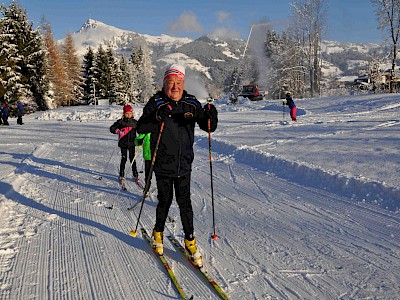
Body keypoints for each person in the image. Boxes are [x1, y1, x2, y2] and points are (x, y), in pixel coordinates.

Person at [136, 63, 218, 267]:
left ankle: (190, 241)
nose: (175, 87)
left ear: (183, 83)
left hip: (184, 165)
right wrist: (156, 117)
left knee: (185, 203)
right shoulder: (155, 102)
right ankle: (158, 233)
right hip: (163, 164)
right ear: (164, 83)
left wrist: (211, 115)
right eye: (171, 82)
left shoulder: (190, 103)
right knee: (165, 201)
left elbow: (208, 126)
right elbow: (141, 127)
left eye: (179, 82)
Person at [109, 104, 139, 184]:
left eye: (130, 113)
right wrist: (118, 131)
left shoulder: (135, 122)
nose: (128, 115)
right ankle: (121, 175)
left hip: (132, 144)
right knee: (124, 159)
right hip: (123, 144)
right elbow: (112, 128)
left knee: (132, 159)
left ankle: (135, 175)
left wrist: (141, 138)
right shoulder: (120, 122)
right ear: (124, 113)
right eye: (127, 113)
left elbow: (140, 130)